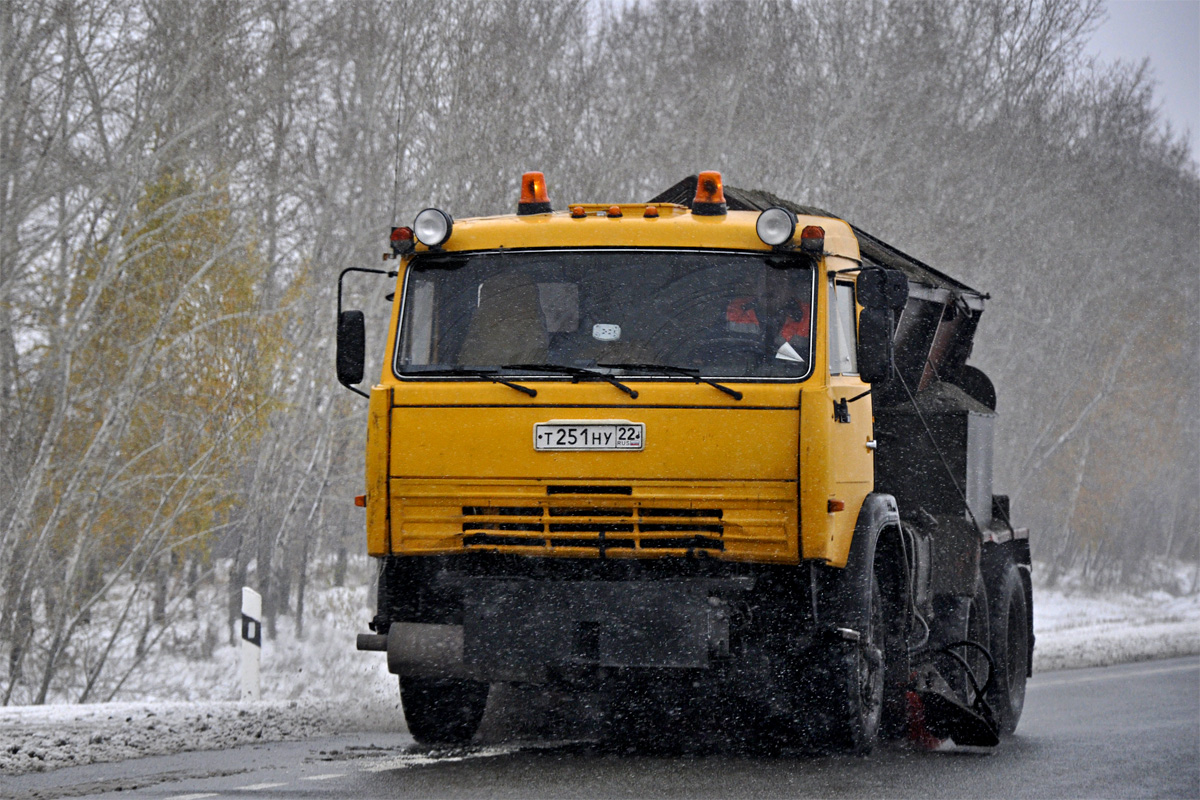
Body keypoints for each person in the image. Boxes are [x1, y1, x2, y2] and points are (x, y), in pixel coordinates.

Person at [725, 268, 811, 364]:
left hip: (792, 376)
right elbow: (714, 344)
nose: (770, 288)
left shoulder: (809, 314)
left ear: (791, 291)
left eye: (778, 284)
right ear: (755, 287)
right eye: (765, 281)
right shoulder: (735, 310)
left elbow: (817, 359)